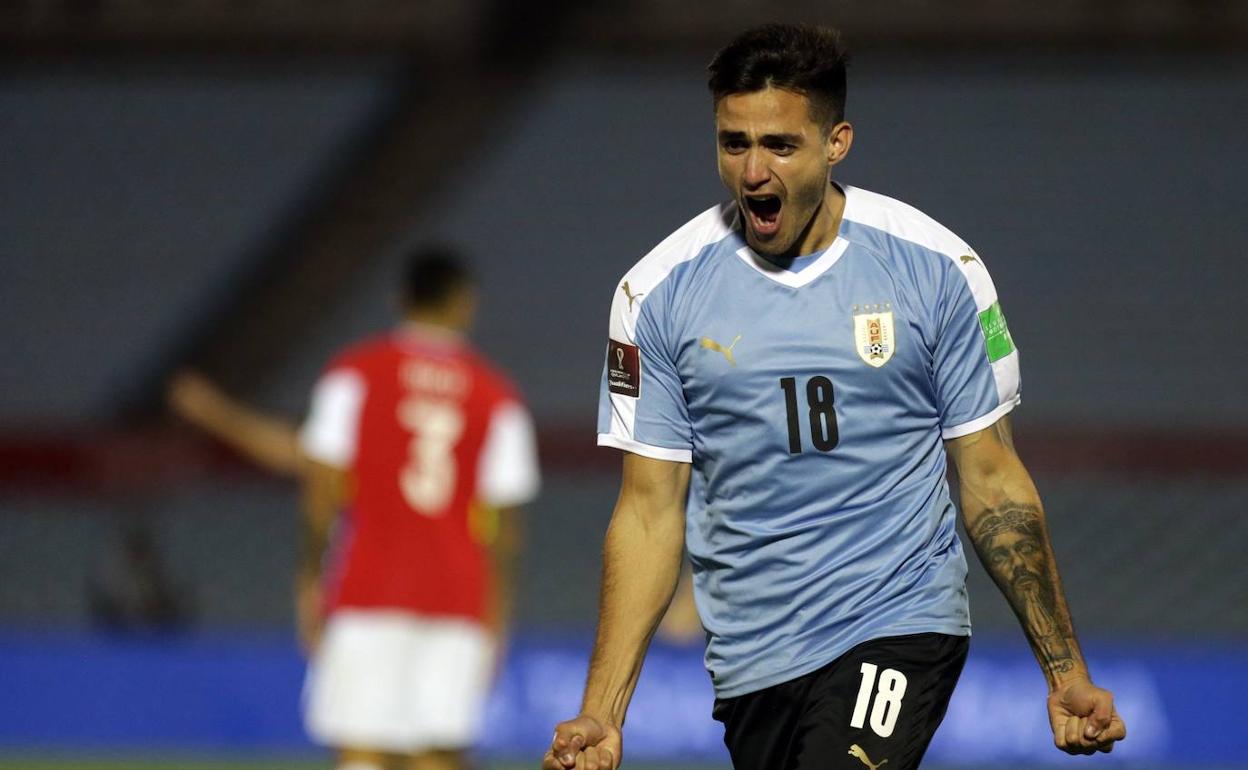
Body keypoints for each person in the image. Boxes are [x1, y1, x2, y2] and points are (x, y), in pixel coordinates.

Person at [544, 23, 1125, 770]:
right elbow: (650, 512)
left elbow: (990, 479)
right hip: (754, 661)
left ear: (836, 142)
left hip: (899, 622)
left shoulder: (938, 271)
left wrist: (1065, 670)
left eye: (780, 145)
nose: (754, 171)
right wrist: (603, 712)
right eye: (734, 143)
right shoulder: (654, 295)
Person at [170, 248, 541, 770]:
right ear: (465, 304)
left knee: (362, 748)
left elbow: (321, 486)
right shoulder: (497, 397)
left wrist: (310, 579)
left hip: (370, 585)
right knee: (439, 754)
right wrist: (497, 620)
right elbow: (505, 528)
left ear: (400, 299)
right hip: (457, 595)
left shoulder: (356, 375)